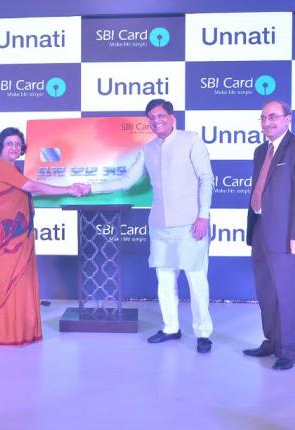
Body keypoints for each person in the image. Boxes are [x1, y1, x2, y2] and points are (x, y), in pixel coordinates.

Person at [91, 99, 214, 353]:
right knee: (165, 280)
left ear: (172, 118)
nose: (156, 121)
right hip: (159, 225)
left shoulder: (191, 140)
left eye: (160, 116)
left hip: (191, 223)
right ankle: (171, 328)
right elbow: (127, 181)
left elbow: (206, 178)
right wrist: (89, 188)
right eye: (152, 118)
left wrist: (203, 216)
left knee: (196, 280)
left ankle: (203, 334)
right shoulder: (148, 149)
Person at [0, 127, 87, 345]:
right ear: (0, 146)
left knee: (20, 282)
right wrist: (69, 189)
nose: (14, 147)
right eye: (9, 143)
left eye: (18, 144)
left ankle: (21, 330)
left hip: (17, 236)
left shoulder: (13, 167)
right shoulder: (0, 166)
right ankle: (4, 332)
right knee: (5, 282)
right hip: (3, 240)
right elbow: (33, 187)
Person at [244, 100, 295, 371]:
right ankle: (272, 341)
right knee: (266, 291)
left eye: (274, 116)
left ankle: (288, 350)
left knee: (286, 293)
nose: (268, 122)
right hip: (260, 229)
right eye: (263, 118)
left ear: (288, 119)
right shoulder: (260, 151)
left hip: (286, 233)